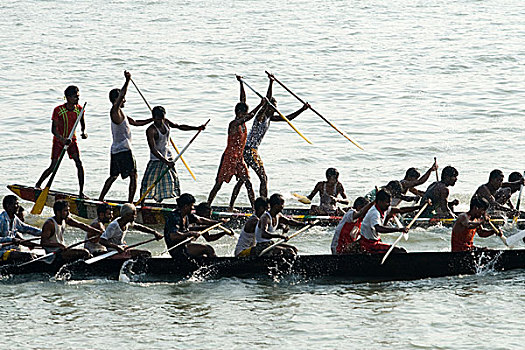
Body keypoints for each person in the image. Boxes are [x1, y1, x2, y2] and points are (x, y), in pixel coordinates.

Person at [243, 74, 309, 197]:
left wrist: (303, 109)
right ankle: (264, 202)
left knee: (244, 180)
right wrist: (271, 82)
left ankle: (251, 204)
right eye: (273, 107)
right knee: (263, 178)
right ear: (268, 107)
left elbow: (288, 118)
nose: (275, 110)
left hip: (250, 150)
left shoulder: (269, 118)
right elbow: (267, 99)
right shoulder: (260, 117)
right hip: (249, 150)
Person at [207, 78, 266, 211]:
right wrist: (260, 105)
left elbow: (243, 101)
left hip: (239, 158)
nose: (245, 115)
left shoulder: (242, 121)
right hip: (229, 157)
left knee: (248, 183)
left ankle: (252, 209)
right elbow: (250, 115)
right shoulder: (234, 124)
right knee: (219, 184)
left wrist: (241, 84)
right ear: (240, 113)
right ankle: (207, 205)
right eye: (244, 113)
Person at [99, 71, 153, 203]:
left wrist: (153, 119)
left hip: (117, 149)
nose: (125, 100)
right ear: (117, 100)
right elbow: (121, 95)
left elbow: (136, 122)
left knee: (113, 176)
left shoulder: (122, 113)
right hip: (123, 150)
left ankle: (101, 199)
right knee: (133, 175)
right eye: (122, 99)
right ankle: (129, 203)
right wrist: (127, 81)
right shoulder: (114, 111)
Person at [139, 106, 205, 203]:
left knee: (171, 182)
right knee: (147, 182)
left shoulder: (166, 122)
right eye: (158, 119)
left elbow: (179, 126)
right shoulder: (151, 130)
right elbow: (153, 149)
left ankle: (168, 203)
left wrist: (196, 128)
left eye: (162, 118)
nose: (160, 121)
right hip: (156, 159)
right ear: (153, 118)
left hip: (168, 157)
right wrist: (166, 162)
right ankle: (141, 203)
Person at [35, 85, 88, 198]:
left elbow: (82, 123)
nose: (77, 99)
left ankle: (81, 192)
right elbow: (53, 130)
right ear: (68, 97)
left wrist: (83, 132)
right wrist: (62, 139)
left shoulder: (79, 109)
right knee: (53, 166)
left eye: (78, 97)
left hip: (72, 141)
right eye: (75, 97)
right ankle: (38, 185)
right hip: (59, 141)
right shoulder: (58, 110)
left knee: (79, 163)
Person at [359, 189, 426, 254]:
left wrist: (419, 207)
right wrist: (399, 229)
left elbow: (401, 210)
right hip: (369, 244)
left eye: (390, 202)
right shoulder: (374, 213)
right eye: (387, 202)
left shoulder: (383, 208)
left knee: (400, 250)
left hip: (375, 241)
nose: (389, 205)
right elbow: (379, 228)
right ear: (379, 202)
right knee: (400, 252)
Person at [164, 193, 228, 258]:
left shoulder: (187, 215)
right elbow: (173, 236)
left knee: (204, 257)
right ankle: (218, 266)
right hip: (177, 249)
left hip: (186, 245)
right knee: (208, 249)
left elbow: (201, 220)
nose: (193, 208)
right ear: (186, 206)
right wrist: (190, 233)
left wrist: (217, 222)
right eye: (192, 205)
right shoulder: (174, 217)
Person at [0, 195, 41, 262]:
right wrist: (11, 239)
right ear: (8, 206)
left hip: (13, 250)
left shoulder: (15, 219)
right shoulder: (1, 220)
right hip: (2, 253)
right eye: (16, 204)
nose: (18, 206)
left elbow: (27, 229)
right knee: (29, 256)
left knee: (36, 256)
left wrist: (44, 232)